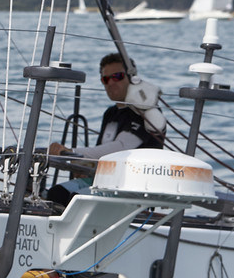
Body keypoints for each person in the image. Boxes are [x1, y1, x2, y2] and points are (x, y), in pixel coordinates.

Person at [43, 53, 165, 205]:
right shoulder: (110, 113)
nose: (111, 83)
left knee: (74, 200)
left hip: (132, 187)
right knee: (56, 194)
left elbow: (121, 148)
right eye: (105, 79)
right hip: (105, 180)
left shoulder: (144, 113)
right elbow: (102, 153)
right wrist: (83, 165)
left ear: (132, 78)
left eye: (117, 76)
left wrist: (72, 153)